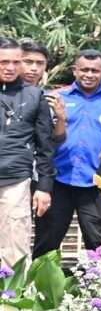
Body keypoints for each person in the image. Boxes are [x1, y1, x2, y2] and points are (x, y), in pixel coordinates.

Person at [35, 49, 101, 258]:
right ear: (74, 71)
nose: (89, 74)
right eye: (84, 69)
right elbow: (42, 139)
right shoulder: (54, 97)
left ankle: (99, 288)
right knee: (46, 243)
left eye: (95, 70)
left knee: (99, 245)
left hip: (96, 184)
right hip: (58, 181)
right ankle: (38, 289)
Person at [0, 38, 55, 266]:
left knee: (15, 248)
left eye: (16, 62)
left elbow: (45, 146)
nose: (10, 67)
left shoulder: (34, 95)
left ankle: (13, 300)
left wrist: (44, 187)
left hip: (16, 180)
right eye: (4, 62)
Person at [18, 40, 65, 145]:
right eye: (28, 62)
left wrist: (61, 118)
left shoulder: (49, 98)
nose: (34, 68)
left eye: (40, 63)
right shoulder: (5, 95)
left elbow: (57, 139)